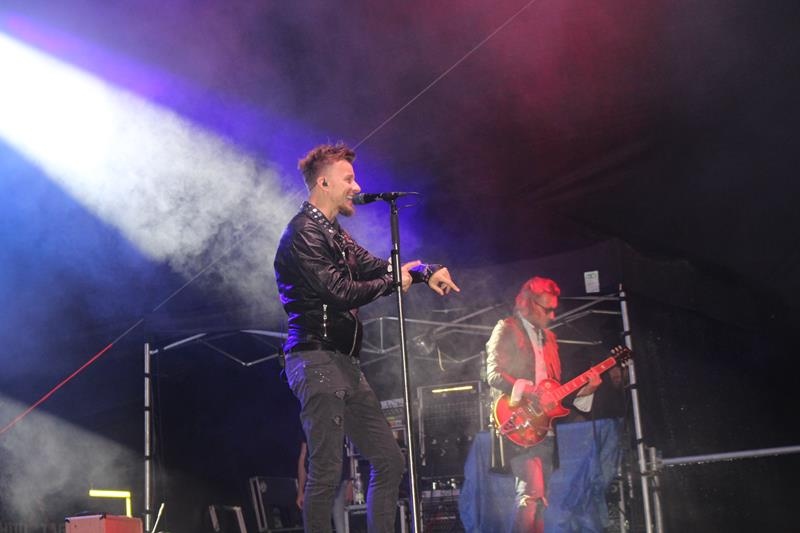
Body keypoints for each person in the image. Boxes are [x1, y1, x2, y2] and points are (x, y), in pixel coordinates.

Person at [274, 142, 460, 533]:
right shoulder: (303, 233)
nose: (356, 187)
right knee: (326, 470)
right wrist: (394, 281)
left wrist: (425, 271)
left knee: (389, 460)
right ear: (324, 183)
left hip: (343, 362)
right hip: (315, 359)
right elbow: (339, 291)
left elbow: (379, 267)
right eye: (348, 179)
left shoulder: (334, 234)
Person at [486, 276, 600, 533]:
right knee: (530, 493)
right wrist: (528, 389)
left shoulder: (550, 339)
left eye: (553, 309)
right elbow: (493, 374)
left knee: (540, 500)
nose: (552, 315)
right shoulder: (507, 328)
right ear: (528, 303)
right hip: (517, 420)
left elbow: (556, 393)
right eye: (546, 309)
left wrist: (587, 391)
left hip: (544, 428)